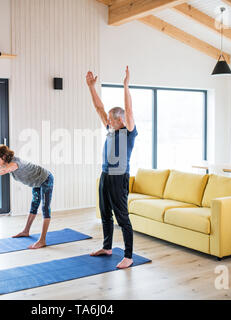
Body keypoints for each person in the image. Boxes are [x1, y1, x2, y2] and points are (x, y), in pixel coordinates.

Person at [86, 66, 138, 269]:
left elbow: (129, 109)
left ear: (121, 120)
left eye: (110, 118)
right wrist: (91, 87)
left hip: (119, 177)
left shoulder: (130, 131)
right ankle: (107, 247)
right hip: (105, 175)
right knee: (105, 212)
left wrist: (125, 85)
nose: (106, 120)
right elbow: (99, 108)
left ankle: (128, 255)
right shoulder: (110, 128)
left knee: (122, 216)